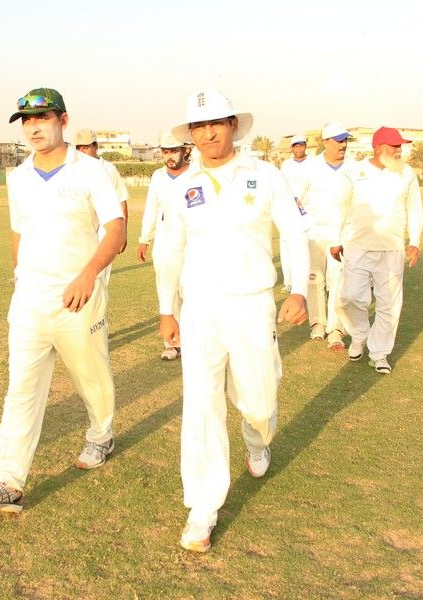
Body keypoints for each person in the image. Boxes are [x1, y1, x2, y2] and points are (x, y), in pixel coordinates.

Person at [158, 89, 310, 552]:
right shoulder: (182, 185)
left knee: (258, 401)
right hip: (200, 306)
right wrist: (166, 309)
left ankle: (257, 439)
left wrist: (299, 289)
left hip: (252, 303)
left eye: (216, 124)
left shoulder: (264, 175)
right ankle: (202, 509)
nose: (208, 133)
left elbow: (293, 231)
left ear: (232, 127)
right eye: (199, 127)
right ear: (191, 135)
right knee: (201, 406)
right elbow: (170, 249)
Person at [0, 88, 125, 513]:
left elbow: (116, 230)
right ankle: (7, 480)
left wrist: (88, 276)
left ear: (63, 120)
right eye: (27, 121)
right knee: (21, 389)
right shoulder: (18, 177)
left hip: (78, 298)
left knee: (92, 380)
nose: (34, 128)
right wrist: (20, 275)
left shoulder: (92, 171)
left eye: (43, 118)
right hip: (30, 301)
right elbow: (18, 232)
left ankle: (101, 435)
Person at [333, 127, 423, 374]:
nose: (399, 150)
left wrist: (414, 241)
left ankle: (379, 353)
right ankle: (359, 335)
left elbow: (414, 208)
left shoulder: (407, 173)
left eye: (400, 146)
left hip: (392, 249)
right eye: (395, 146)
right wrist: (335, 239)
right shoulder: (354, 171)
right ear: (379, 148)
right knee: (349, 298)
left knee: (389, 305)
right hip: (357, 246)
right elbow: (340, 207)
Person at [291, 123, 353, 349]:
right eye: (338, 140)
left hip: (342, 235)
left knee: (338, 280)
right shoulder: (311, 167)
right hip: (315, 234)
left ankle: (336, 328)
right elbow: (295, 199)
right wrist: (306, 223)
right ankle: (317, 323)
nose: (343, 145)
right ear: (325, 142)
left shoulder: (353, 168)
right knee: (315, 278)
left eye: (345, 140)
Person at [137, 132, 191, 361]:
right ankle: (172, 343)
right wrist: (144, 239)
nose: (169, 156)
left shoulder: (197, 173)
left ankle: (193, 341)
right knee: (167, 292)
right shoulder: (158, 177)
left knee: (192, 293)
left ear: (184, 151)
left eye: (174, 151)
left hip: (192, 244)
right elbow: (151, 208)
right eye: (165, 152)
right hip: (165, 244)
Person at [75, 129, 129, 256]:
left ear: (96, 147)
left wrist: (122, 233)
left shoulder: (108, 169)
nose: (81, 152)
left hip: (105, 228)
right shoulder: (72, 170)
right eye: (79, 148)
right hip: (81, 231)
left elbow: (121, 201)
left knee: (101, 267)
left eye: (85, 147)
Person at [279, 134, 311, 293]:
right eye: (295, 146)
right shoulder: (286, 165)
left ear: (305, 146)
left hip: (309, 211)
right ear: (291, 148)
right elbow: (281, 186)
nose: (298, 148)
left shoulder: (313, 163)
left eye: (301, 145)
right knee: (287, 246)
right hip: (289, 210)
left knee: (309, 246)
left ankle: (311, 279)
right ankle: (289, 282)